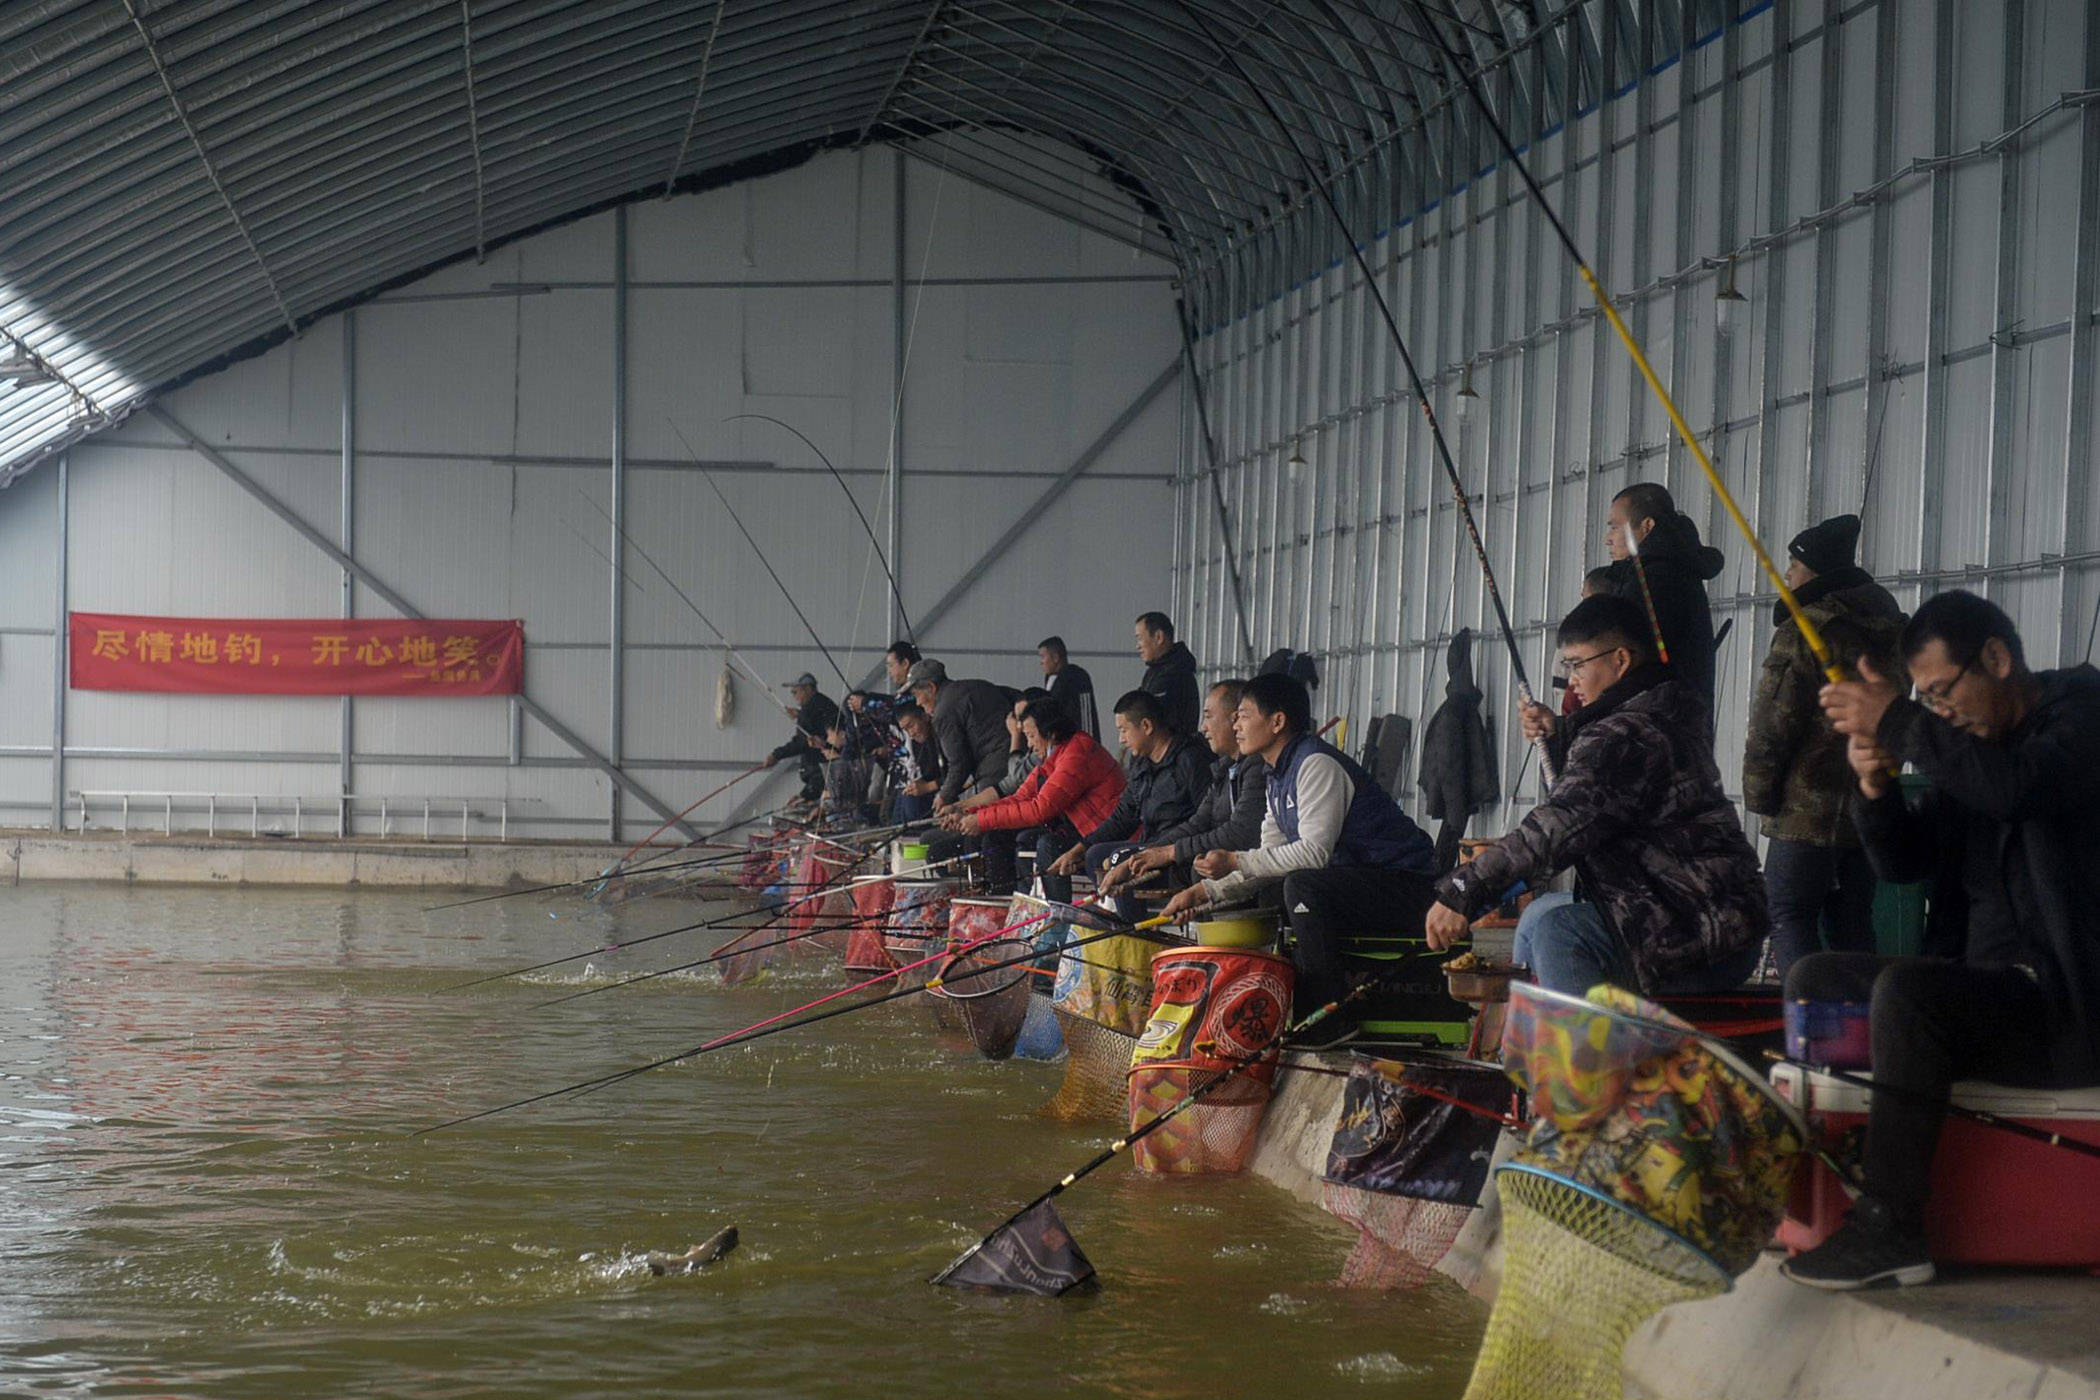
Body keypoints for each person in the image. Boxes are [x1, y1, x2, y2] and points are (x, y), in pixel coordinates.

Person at [1779, 591, 2100, 1290]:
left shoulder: (2081, 721)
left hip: (2066, 1008)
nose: (1940, 711)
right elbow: (1904, 864)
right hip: (1984, 989)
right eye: (1926, 698)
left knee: (1910, 995)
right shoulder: (1972, 751)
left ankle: (1892, 1224)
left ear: (1997, 656)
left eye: (1944, 692)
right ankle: (1831, 1183)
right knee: (1814, 977)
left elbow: (2018, 789)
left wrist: (1898, 717)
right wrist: (1875, 789)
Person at [1426, 595, 1766, 998]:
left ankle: (1590, 1058)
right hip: (1707, 916)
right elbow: (1595, 796)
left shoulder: (1624, 736)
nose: (1570, 680)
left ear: (1620, 660)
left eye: (1577, 664)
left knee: (1561, 930)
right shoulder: (1661, 712)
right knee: (1538, 915)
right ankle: (1520, 1051)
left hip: (1701, 931)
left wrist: (1464, 890)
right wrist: (1562, 736)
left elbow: (1559, 825)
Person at [1162, 672, 1438, 1050]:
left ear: (1277, 722)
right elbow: (1267, 859)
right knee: (1287, 882)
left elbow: (1313, 853)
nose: (1234, 725)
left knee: (1302, 884)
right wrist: (1204, 892)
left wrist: (1235, 860)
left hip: (1408, 886)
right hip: (1363, 883)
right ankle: (1305, 1009)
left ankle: (1330, 1018)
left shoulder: (1315, 765)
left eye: (1243, 715)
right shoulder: (1278, 775)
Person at [1742, 514, 1907, 975]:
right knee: (1852, 921)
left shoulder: (1808, 628)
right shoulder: (1892, 629)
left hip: (1806, 808)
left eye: (1792, 567)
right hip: (1869, 799)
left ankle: (1812, 1021)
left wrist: (1760, 793)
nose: (1788, 576)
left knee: (1788, 912)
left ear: (1811, 570)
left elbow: (1774, 720)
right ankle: (1864, 1029)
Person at [940, 698, 1126, 898]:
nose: (1028, 744)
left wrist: (982, 820)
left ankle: (1055, 918)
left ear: (1051, 733)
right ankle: (1016, 905)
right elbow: (1020, 797)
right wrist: (969, 814)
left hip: (1106, 835)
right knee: (1008, 837)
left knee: (1048, 844)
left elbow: (1039, 810)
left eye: (1030, 736)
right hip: (1084, 831)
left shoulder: (1077, 754)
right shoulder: (1056, 756)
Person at [1100, 679, 1267, 897]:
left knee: (1200, 869)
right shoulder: (1225, 768)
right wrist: (1150, 853)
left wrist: (1171, 852)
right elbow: (1198, 822)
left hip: (1247, 866)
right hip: (1204, 854)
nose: (1202, 727)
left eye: (1208, 716)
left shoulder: (1255, 765)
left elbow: (1241, 832)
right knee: (1125, 861)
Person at [1061, 690, 1213, 897]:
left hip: (1178, 852)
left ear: (1146, 726)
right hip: (1149, 846)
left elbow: (1205, 819)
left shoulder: (1191, 759)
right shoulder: (1141, 764)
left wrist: (1164, 850)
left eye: (1124, 730)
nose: (1121, 739)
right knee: (1094, 854)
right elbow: (1123, 818)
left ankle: (1130, 924)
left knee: (1118, 859)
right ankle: (1116, 918)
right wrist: (1080, 848)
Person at [1598, 482, 1725, 716]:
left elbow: (1640, 666)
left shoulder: (1656, 578)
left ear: (1647, 526)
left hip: (1653, 728)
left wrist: (1578, 721)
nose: (1608, 538)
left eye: (1615, 527)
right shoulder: (1666, 571)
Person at [1417, 627, 1496, 872]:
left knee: (1446, 849)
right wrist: (1456, 808)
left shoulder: (1455, 707)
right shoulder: (1455, 710)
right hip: (1455, 797)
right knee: (1443, 854)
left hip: (1456, 796)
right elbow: (1449, 762)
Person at [908, 658, 1013, 812]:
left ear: (931, 687)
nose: (917, 703)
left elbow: (959, 764)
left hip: (994, 772)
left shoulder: (943, 712)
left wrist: (943, 796)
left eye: (917, 695)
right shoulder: (978, 685)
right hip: (1016, 761)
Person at [763, 672, 840, 804]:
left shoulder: (810, 708)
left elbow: (801, 742)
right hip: (824, 774)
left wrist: (776, 755)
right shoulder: (822, 703)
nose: (794, 696)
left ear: (808, 689)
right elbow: (816, 728)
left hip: (822, 772)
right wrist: (800, 717)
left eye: (795, 691)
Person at [1135, 610, 1200, 738]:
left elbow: (1150, 717)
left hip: (1170, 755)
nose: (1138, 646)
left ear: (1159, 637)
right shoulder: (1154, 671)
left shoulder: (1176, 673)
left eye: (1140, 638)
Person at [888, 702, 942, 823]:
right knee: (904, 794)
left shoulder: (943, 736)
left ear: (925, 717)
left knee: (911, 802)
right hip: (937, 788)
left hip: (949, 790)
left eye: (911, 725)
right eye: (906, 729)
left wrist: (928, 786)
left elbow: (961, 775)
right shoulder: (916, 743)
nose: (911, 733)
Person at [1038, 636, 1100, 737]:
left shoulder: (1077, 676)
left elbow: (1087, 714)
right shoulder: (1049, 678)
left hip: (1079, 740)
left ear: (1055, 658)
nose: (1041, 662)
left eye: (1043, 657)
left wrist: (1088, 741)